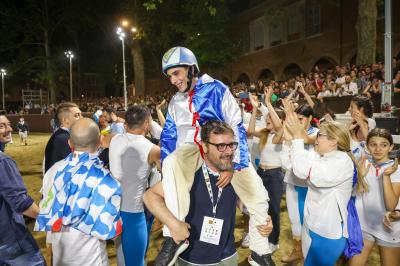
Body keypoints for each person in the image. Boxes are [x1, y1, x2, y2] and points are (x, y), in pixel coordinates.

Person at [158, 47, 274, 266]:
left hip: (223, 151)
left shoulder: (217, 89)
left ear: (192, 69)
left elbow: (236, 125)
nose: (173, 80)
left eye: (176, 73)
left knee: (258, 194)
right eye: (169, 76)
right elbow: (168, 138)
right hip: (193, 151)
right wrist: (167, 170)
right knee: (171, 161)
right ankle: (172, 237)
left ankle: (260, 250)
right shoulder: (175, 102)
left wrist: (232, 165)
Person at [144, 120, 273, 266]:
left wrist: (263, 220)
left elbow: (241, 202)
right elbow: (150, 196)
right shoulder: (188, 172)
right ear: (204, 146)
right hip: (192, 257)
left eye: (231, 145)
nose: (229, 151)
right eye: (221, 146)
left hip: (227, 254)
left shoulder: (235, 172)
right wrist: (173, 224)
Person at [35, 118, 122, 266]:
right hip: (91, 259)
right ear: (100, 142)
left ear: (69, 143)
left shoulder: (53, 170)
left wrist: (50, 244)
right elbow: (111, 230)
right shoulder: (106, 179)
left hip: (61, 256)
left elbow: (48, 209)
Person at [285, 113, 356, 266]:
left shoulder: (342, 161)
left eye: (320, 135)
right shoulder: (320, 155)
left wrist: (297, 138)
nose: (316, 138)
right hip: (312, 224)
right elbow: (297, 161)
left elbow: (301, 169)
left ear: (333, 141)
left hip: (328, 232)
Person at [109, 105, 161, 266]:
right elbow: (170, 175)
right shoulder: (153, 150)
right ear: (146, 123)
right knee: (135, 262)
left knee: (122, 257)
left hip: (112, 209)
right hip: (133, 213)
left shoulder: (113, 138)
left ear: (127, 123)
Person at [350, 129, 400, 266]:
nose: (378, 149)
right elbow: (355, 193)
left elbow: (391, 205)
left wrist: (386, 176)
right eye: (373, 144)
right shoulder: (363, 165)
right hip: (364, 225)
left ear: (391, 147)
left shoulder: (396, 169)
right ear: (367, 146)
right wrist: (358, 176)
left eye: (383, 145)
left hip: (388, 227)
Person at [0, 114, 45, 265]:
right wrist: (47, 217)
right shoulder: (3, 162)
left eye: (8, 124)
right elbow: (20, 202)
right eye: (2, 126)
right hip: (10, 238)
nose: (9, 129)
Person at [247, 88, 284, 253]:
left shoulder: (280, 135)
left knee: (274, 209)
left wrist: (268, 103)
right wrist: (255, 109)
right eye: (267, 116)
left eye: (271, 117)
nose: (267, 119)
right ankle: (259, 235)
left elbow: (279, 126)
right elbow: (249, 130)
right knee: (260, 206)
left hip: (274, 176)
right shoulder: (264, 134)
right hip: (261, 173)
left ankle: (274, 241)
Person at [44, 102, 82, 173]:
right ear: (65, 120)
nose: (81, 118)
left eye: (81, 115)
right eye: (77, 115)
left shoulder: (63, 135)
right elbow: (74, 168)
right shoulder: (62, 139)